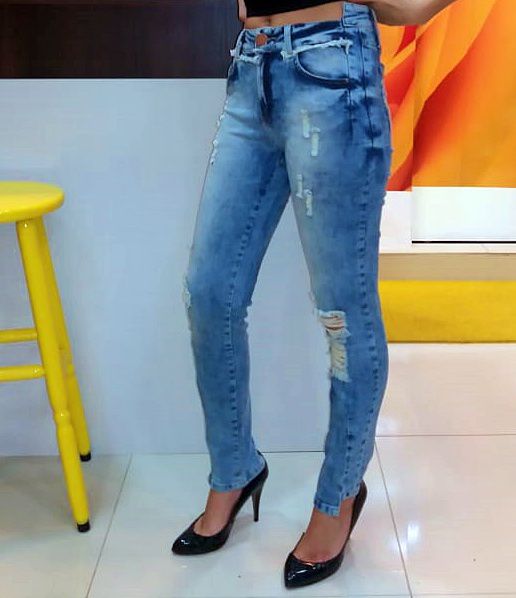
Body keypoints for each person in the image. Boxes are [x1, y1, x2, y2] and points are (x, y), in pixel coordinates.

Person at [172, 0, 456, 589]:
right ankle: (234, 471)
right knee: (209, 292)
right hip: (251, 66)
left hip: (332, 64)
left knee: (343, 315)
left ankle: (338, 498)